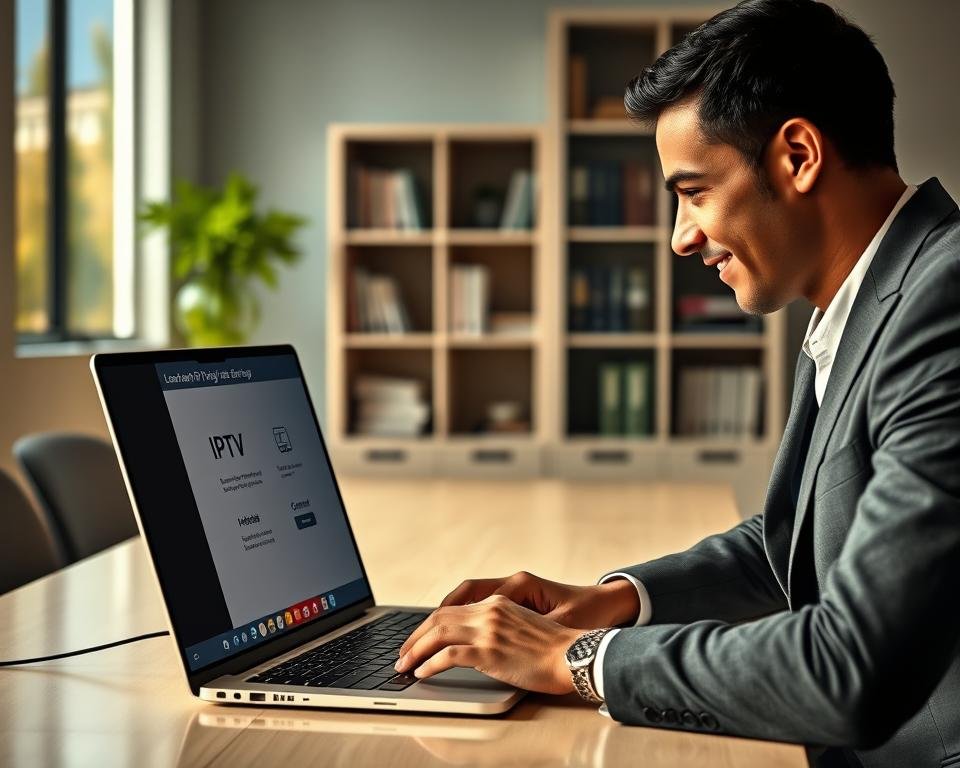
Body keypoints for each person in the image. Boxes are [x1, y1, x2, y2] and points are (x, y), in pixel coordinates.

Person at [394, 1, 960, 765]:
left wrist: (578, 661)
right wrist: (610, 603)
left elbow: (850, 668)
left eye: (693, 191)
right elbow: (789, 545)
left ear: (798, 156)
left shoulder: (941, 304)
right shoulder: (867, 299)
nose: (680, 236)